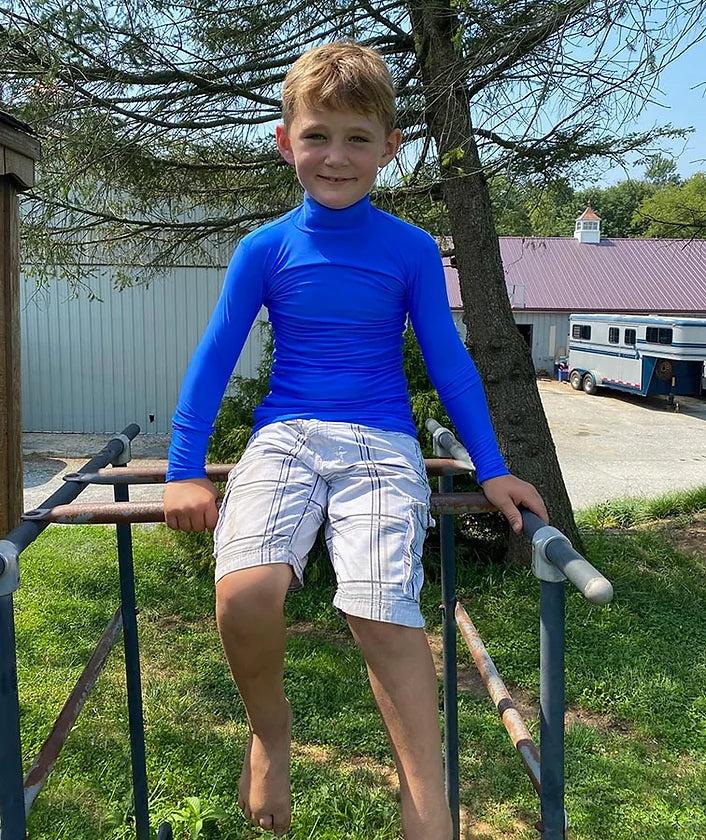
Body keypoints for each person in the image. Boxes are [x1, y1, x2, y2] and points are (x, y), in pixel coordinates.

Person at [164, 41, 547, 840]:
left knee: (382, 612)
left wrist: (495, 468)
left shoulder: (407, 248)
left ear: (389, 148)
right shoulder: (264, 248)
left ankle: (427, 798)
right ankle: (270, 731)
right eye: (317, 136)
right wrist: (183, 470)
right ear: (285, 142)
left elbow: (447, 359)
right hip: (287, 435)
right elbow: (214, 355)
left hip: (380, 442)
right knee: (246, 589)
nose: (335, 156)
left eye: (357, 138)